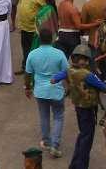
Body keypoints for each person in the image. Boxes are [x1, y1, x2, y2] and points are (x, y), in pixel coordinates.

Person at [24, 28, 67, 159]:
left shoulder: (32, 54)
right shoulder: (59, 54)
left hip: (40, 91)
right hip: (56, 91)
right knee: (58, 116)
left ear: (39, 39)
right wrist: (69, 86)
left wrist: (27, 88)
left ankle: (46, 141)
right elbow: (67, 71)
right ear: (52, 39)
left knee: (44, 116)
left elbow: (28, 74)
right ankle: (55, 144)